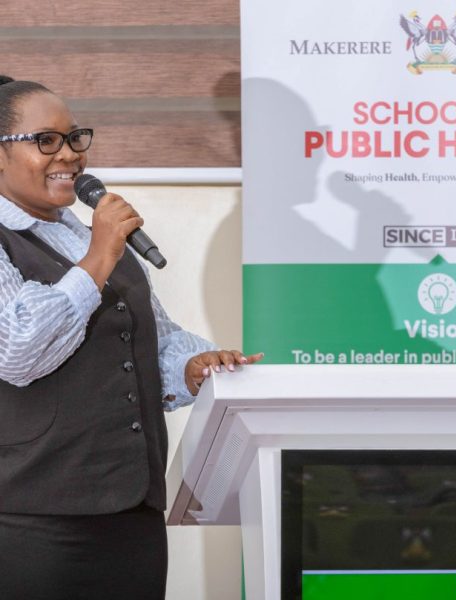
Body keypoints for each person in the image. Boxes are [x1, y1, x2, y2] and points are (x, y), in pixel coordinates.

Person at [0, 75, 262, 600]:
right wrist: (99, 257)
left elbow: (151, 339)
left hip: (131, 512)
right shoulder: (84, 243)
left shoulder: (85, 234)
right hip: (32, 521)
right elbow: (18, 349)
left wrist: (191, 367)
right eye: (45, 140)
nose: (69, 154)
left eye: (75, 137)